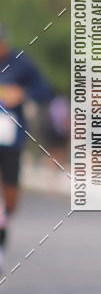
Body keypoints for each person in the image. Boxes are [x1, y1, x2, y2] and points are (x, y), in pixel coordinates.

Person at [0, 23, 53, 273]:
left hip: (11, 137)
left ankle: (4, 224)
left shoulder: (21, 63)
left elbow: (45, 91)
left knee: (11, 193)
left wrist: (22, 93)